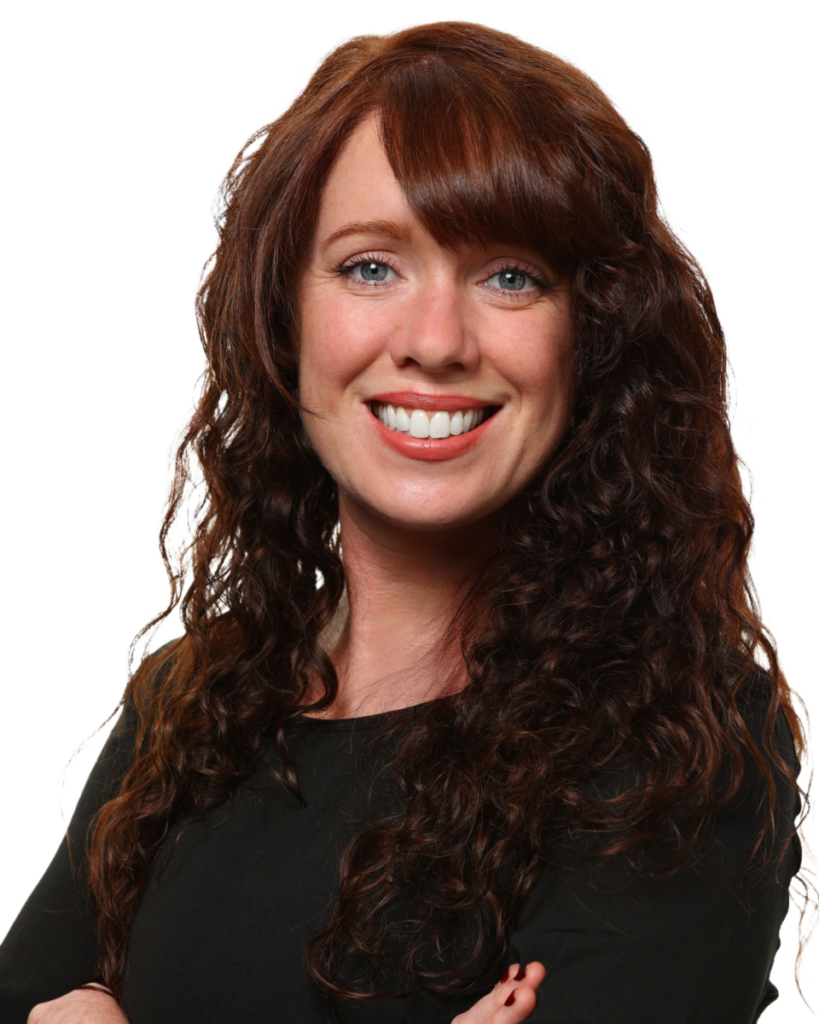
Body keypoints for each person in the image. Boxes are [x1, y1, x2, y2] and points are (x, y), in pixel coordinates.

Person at [1, 18, 816, 1024]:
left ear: (593, 333)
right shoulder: (194, 700)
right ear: (286, 318)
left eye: (511, 274)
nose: (435, 342)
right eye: (370, 266)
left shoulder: (677, 735)